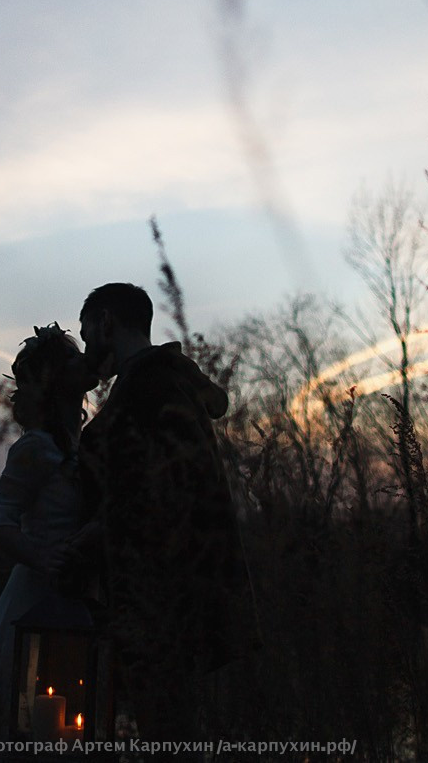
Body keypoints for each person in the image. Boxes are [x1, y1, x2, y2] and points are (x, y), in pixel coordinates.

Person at [69, 282, 255, 739]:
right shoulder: (161, 382)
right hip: (170, 596)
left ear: (107, 322)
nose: (89, 347)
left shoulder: (149, 386)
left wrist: (93, 535)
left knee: (168, 731)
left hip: (163, 600)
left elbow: (162, 490)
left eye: (88, 332)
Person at [0, 324, 93, 761]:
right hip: (32, 604)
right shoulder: (35, 447)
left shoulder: (81, 446)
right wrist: (45, 559)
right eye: (71, 364)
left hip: (77, 599)